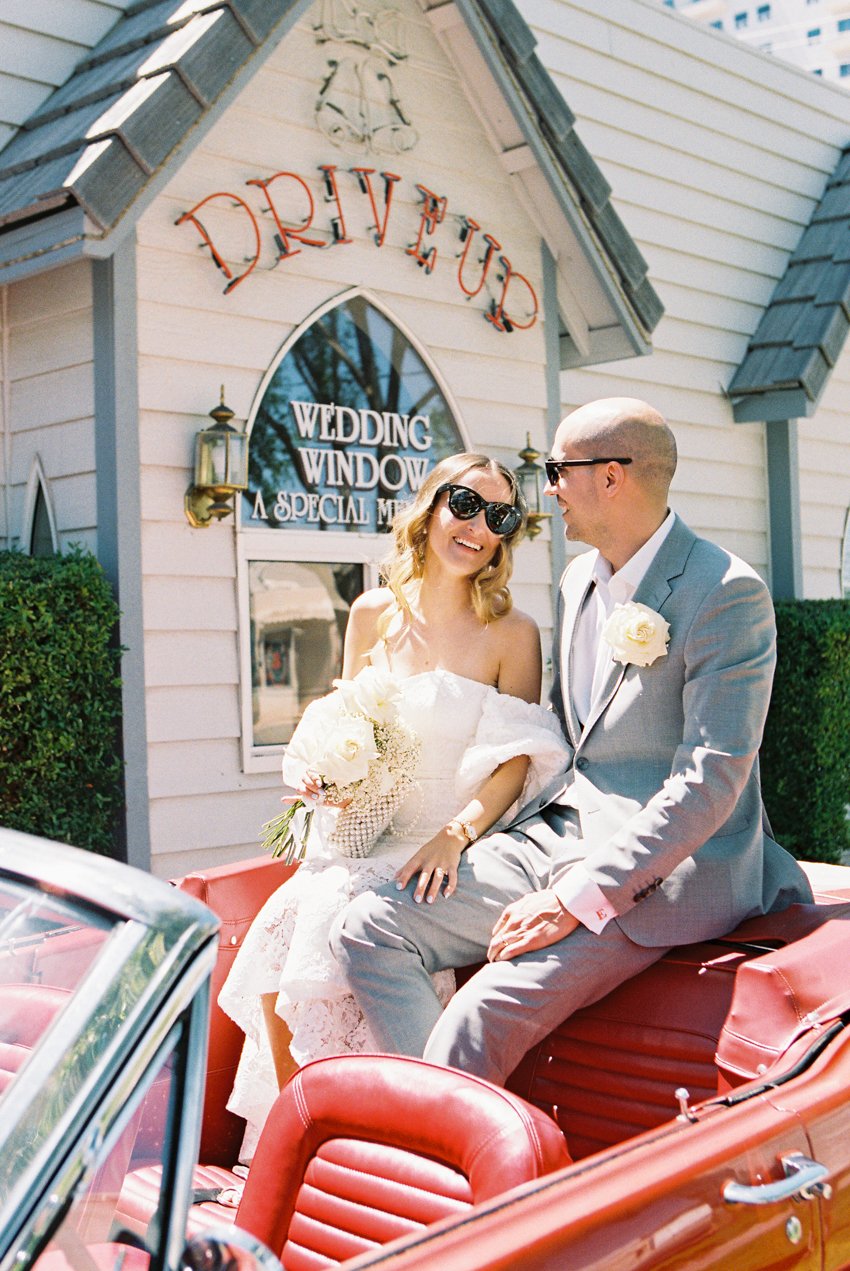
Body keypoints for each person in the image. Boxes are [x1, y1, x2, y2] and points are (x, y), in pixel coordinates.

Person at [331, 396, 814, 1086]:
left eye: (559, 470)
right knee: (367, 928)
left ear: (611, 477)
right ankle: (456, 1136)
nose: (548, 490)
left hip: (668, 870)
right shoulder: (575, 581)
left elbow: (710, 780)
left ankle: (457, 1178)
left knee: (478, 1016)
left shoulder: (726, 591)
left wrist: (574, 897)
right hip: (553, 837)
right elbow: (563, 739)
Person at [218, 452, 570, 1158]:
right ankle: (302, 1148)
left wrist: (457, 833)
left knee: (336, 920)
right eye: (464, 504)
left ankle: (380, 1146)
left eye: (498, 517)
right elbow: (348, 724)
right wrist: (327, 777)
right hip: (357, 831)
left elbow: (517, 760)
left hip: (439, 847)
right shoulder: (372, 613)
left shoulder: (513, 633)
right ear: (432, 505)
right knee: (284, 924)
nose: (476, 527)